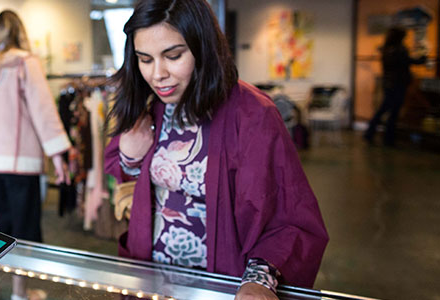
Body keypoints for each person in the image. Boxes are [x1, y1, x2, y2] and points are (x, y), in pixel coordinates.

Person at [104, 1, 329, 299]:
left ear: (203, 48)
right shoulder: (147, 105)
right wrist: (131, 156)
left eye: (173, 56)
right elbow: (125, 184)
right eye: (145, 59)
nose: (157, 74)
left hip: (220, 285)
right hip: (150, 280)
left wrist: (259, 280)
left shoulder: (252, 114)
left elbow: (289, 216)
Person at [0, 10, 71, 300]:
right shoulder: (26, 62)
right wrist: (59, 156)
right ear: (19, 31)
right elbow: (43, 111)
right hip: (18, 161)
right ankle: (18, 291)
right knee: (23, 227)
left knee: (4, 221)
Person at [363, 26, 427, 146]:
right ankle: (388, 138)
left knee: (384, 109)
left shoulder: (387, 49)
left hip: (389, 83)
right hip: (397, 84)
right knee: (393, 112)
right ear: (400, 37)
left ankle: (370, 133)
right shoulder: (399, 50)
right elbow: (408, 61)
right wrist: (422, 59)